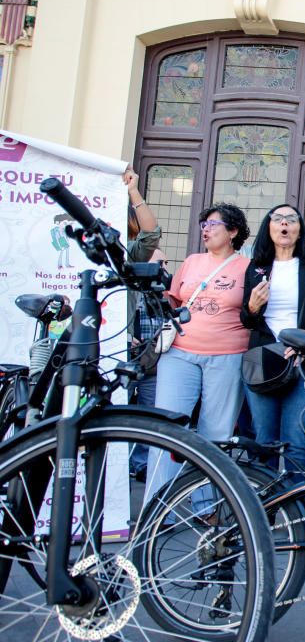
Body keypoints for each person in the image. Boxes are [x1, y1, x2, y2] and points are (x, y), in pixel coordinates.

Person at [145, 203, 251, 502]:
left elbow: (253, 310)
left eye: (213, 224)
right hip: (180, 352)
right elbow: (174, 300)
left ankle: (206, 504)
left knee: (215, 432)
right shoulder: (191, 261)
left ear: (232, 231)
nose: (205, 229)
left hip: (227, 354)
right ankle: (157, 504)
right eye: (203, 223)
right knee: (167, 427)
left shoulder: (246, 267)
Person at [241, 204, 305, 483]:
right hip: (263, 360)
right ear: (269, 228)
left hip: (302, 361)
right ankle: (265, 510)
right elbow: (246, 319)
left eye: (291, 219)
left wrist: (303, 344)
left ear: (299, 228)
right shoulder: (257, 267)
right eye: (278, 219)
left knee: (297, 439)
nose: (284, 224)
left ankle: (297, 511)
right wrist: (252, 306)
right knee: (264, 440)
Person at [124, 167, 161, 481]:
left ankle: (139, 465)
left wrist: (134, 191)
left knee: (145, 411)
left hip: (137, 351)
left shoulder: (126, 255)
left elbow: (151, 233)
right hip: (95, 348)